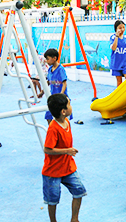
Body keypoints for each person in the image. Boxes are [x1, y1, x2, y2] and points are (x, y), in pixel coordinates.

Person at [42, 93, 86, 222]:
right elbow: (47, 149)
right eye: (69, 104)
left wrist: (67, 152)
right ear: (63, 111)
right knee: (53, 200)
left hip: (68, 167)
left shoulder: (66, 121)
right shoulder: (53, 129)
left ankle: (74, 219)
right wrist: (67, 151)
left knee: (79, 190)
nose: (71, 106)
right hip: (53, 171)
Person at [44, 48, 71, 123]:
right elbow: (48, 81)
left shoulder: (60, 69)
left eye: (48, 59)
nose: (46, 61)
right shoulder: (50, 69)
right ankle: (52, 129)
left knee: (62, 119)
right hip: (53, 98)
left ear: (54, 58)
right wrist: (42, 92)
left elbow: (64, 83)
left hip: (61, 99)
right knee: (48, 116)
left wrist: (61, 94)